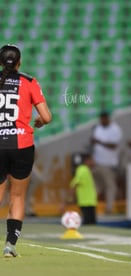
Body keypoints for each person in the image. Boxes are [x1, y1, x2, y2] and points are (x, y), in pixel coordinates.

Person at [0, 44, 52, 257]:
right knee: (18, 196)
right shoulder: (29, 82)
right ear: (19, 62)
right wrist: (38, 122)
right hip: (22, 145)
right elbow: (47, 117)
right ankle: (10, 245)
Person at [91, 111, 122, 214]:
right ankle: (89, 208)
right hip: (97, 162)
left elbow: (114, 145)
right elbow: (94, 144)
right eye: (101, 119)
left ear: (108, 118)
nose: (102, 121)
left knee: (110, 186)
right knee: (96, 187)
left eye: (103, 119)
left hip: (108, 163)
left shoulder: (115, 129)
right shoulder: (98, 128)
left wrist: (99, 142)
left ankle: (109, 209)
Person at [69, 153, 97, 225]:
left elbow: (74, 183)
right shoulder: (83, 170)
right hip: (86, 201)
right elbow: (76, 184)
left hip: (88, 201)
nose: (94, 161)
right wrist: (70, 198)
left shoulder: (84, 170)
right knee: (89, 223)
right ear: (87, 161)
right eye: (92, 159)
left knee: (90, 223)